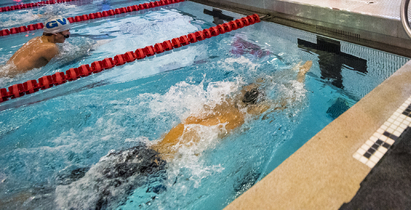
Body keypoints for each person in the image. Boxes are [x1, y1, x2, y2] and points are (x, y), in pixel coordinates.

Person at [56, 61, 313, 208]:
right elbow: (288, 102)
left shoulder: (219, 100)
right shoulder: (241, 117)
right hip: (157, 164)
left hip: (142, 150)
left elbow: (252, 83)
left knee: (77, 184)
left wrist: (282, 70)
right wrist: (300, 75)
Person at [4, 17, 71, 75]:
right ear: (55, 33)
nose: (69, 34)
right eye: (67, 31)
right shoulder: (50, 47)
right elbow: (63, 64)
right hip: (11, 77)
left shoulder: (36, 39)